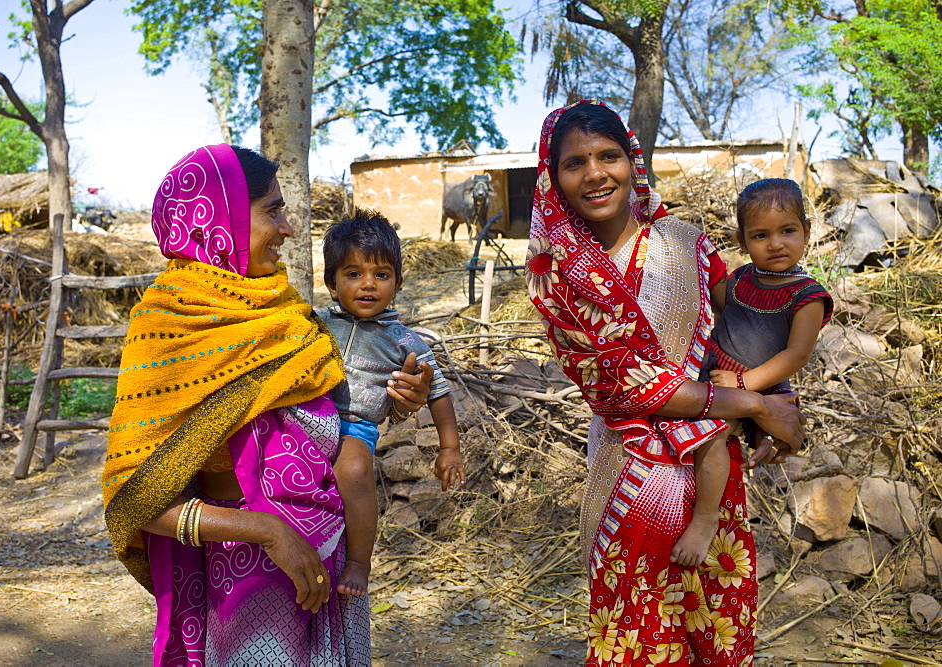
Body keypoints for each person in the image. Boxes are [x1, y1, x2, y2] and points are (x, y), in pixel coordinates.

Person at [101, 144, 431, 665]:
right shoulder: (169, 329)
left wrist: (394, 402)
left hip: (328, 556)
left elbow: (333, 421)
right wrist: (268, 531)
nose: (288, 227)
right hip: (249, 572)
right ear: (221, 214)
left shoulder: (287, 311)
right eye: (271, 210)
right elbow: (138, 498)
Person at [526, 100, 805, 664]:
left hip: (714, 471)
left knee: (717, 629)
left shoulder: (685, 244)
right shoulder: (553, 276)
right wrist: (752, 405)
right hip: (629, 478)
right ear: (552, 176)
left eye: (609, 155)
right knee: (638, 637)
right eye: (575, 162)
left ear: (633, 160)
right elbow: (618, 386)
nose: (596, 172)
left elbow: (741, 332)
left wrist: (779, 404)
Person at [671, 178, 834, 567]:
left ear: (806, 233)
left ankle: (705, 520)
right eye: (761, 235)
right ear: (743, 241)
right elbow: (722, 308)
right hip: (713, 367)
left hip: (755, 379)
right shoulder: (742, 276)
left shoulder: (807, 295)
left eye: (788, 231)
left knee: (712, 437)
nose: (775, 243)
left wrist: (745, 387)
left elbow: (795, 356)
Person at [316, 209, 464, 596]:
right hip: (306, 418)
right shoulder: (315, 323)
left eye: (381, 275)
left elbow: (439, 392)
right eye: (353, 274)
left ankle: (358, 563)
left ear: (397, 284)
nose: (368, 285)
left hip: (353, 427)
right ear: (331, 284)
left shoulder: (405, 341)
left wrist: (449, 448)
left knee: (354, 472)